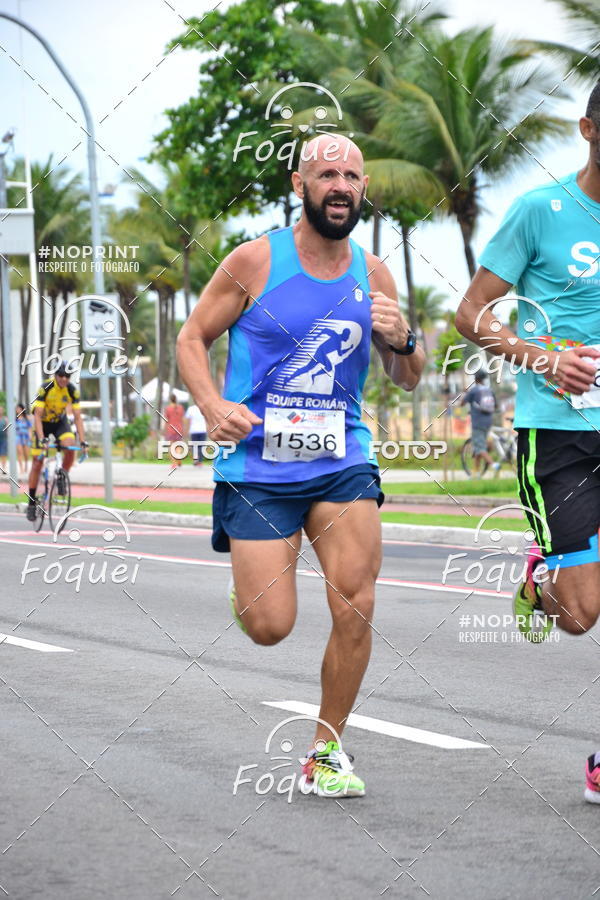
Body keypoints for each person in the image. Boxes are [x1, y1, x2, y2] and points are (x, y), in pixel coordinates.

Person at [177, 133, 425, 797]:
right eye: (326, 174)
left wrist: (405, 339)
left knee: (356, 598)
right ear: (299, 185)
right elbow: (192, 336)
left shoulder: (374, 274)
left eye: (350, 175)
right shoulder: (256, 261)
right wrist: (210, 403)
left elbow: (407, 377)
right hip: (257, 464)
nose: (339, 185)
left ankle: (326, 751)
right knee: (270, 626)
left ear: (362, 187)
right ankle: (250, 592)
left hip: (341, 457)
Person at [456, 81, 600, 802]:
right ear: (588, 129)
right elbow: (470, 314)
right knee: (580, 614)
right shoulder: (539, 212)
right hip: (560, 433)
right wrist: (545, 358)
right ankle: (539, 581)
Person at [26, 362, 87, 522]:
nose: (64, 379)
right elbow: (37, 416)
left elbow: (78, 417)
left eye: (67, 376)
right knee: (37, 463)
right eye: (61, 375)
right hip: (42, 424)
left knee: (70, 445)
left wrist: (83, 441)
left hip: (60, 422)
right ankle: (32, 501)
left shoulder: (72, 390)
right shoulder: (45, 387)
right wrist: (42, 439)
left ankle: (62, 476)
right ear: (55, 375)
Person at [461, 371, 498, 476]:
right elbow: (495, 406)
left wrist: (466, 393)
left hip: (478, 423)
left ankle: (494, 465)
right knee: (478, 447)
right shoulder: (489, 390)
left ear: (476, 379)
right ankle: (475, 475)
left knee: (480, 448)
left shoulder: (473, 391)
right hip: (488, 422)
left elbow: (462, 403)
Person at [163, 393, 185, 468]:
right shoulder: (181, 408)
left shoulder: (168, 408)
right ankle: (178, 457)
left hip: (171, 429)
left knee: (171, 446)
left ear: (170, 400)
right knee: (178, 445)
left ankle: (174, 463)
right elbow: (182, 418)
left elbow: (166, 420)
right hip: (179, 428)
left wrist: (164, 430)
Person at [15, 403, 32, 477]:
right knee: (19, 452)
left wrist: (30, 436)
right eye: (17, 409)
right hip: (18, 437)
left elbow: (30, 428)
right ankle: (21, 469)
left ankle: (26, 467)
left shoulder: (26, 418)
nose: (17, 410)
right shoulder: (14, 419)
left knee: (26, 454)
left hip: (26, 437)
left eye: (19, 408)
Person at [0, 405, 7, 476]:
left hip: (3, 439)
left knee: (3, 454)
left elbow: (8, 429)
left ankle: (3, 469)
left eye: (1, 410)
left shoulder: (5, 419)